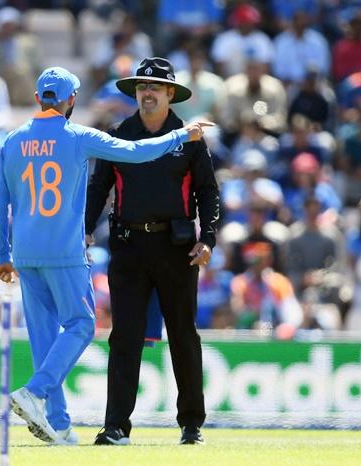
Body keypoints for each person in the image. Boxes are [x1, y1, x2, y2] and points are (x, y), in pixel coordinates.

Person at [0, 66, 211, 446]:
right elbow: (137, 153)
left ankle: (57, 424)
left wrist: (1, 252)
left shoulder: (12, 140)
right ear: (71, 99)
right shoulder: (78, 136)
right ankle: (37, 393)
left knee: (45, 339)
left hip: (25, 253)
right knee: (81, 326)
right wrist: (181, 134)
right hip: (65, 251)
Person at [85, 57, 220, 446]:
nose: (147, 93)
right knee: (123, 336)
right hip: (128, 246)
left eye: (155, 88)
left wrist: (207, 238)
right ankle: (115, 427)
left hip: (176, 248)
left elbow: (208, 191)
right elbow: (99, 187)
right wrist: (85, 230)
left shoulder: (190, 137)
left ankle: (191, 425)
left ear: (170, 94)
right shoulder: (118, 135)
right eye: (142, 87)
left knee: (183, 335)